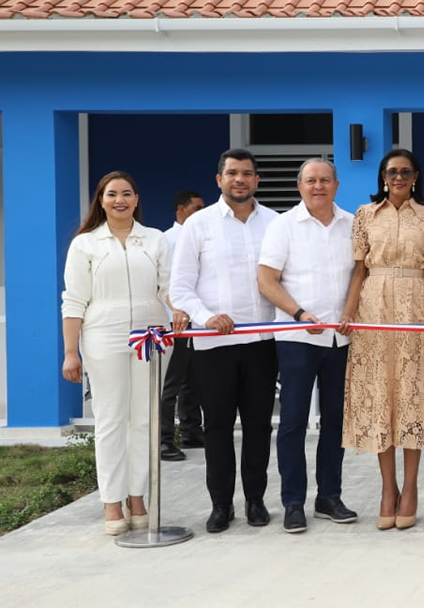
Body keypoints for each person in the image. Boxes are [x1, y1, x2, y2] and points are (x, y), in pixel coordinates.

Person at [171, 149, 279, 534]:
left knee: (258, 425)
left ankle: (255, 500)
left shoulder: (275, 223)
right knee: (216, 426)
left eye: (247, 174)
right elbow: (180, 288)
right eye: (232, 173)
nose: (240, 180)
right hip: (213, 344)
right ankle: (220, 504)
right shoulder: (197, 225)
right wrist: (206, 318)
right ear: (219, 180)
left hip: (263, 340)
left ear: (256, 181)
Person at [341, 148, 424, 531]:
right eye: (391, 172)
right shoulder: (364, 215)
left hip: (415, 304)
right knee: (381, 398)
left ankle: (411, 489)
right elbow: (358, 271)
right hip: (374, 309)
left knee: (412, 396)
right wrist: (349, 311)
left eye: (405, 171)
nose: (398, 177)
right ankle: (388, 489)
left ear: (416, 175)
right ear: (382, 177)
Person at [62, 172, 171, 535]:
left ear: (137, 199)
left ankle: (137, 497)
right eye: (112, 194)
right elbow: (74, 300)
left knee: (143, 419)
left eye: (127, 193)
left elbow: (170, 287)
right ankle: (112, 502)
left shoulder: (154, 239)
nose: (120, 200)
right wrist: (70, 352)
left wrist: (185, 312)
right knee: (110, 419)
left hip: (151, 333)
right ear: (101, 200)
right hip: (103, 334)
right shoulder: (85, 245)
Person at [257, 159, 359, 533]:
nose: (319, 186)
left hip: (340, 338)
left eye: (325, 180)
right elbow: (266, 280)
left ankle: (329, 497)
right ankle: (293, 502)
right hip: (297, 337)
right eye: (311, 181)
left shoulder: (352, 224)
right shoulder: (282, 226)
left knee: (335, 421)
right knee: (294, 422)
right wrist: (299, 314)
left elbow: (359, 274)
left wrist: (349, 311)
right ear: (300, 187)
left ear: (336, 185)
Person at [159, 189, 205, 462]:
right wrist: (177, 310)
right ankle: (165, 439)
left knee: (193, 378)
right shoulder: (167, 241)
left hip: (196, 320)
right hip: (173, 319)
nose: (201, 213)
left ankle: (191, 430)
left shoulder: (199, 236)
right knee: (170, 383)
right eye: (196, 208)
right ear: (180, 210)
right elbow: (167, 281)